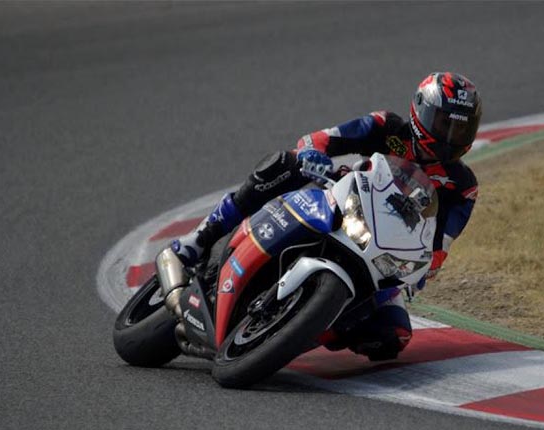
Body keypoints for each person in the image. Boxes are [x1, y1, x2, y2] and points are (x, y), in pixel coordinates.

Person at [170, 72, 482, 361]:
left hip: (383, 251)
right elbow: (324, 139)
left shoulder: (462, 185)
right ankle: (202, 237)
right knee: (281, 164)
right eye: (444, 125)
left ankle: (295, 330)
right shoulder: (387, 127)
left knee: (391, 336)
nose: (451, 136)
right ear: (420, 113)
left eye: (461, 129)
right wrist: (311, 155)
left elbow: (441, 243)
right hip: (341, 201)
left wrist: (421, 271)